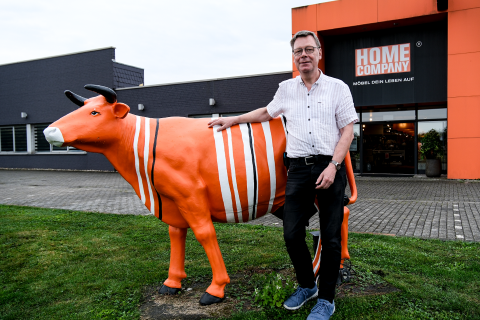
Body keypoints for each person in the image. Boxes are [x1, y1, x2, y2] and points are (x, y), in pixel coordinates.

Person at [208, 30, 358, 320]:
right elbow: (267, 112)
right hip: (299, 169)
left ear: (319, 53)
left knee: (331, 237)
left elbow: (347, 131)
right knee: (291, 234)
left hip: (330, 165)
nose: (304, 55)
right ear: (294, 57)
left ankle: (326, 299)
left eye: (309, 49)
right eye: (298, 51)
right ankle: (307, 286)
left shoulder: (338, 88)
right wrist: (234, 119)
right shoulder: (286, 89)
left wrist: (333, 166)